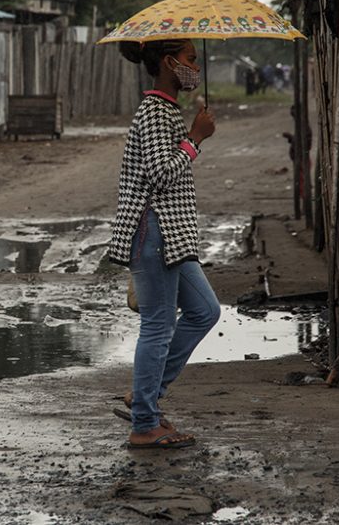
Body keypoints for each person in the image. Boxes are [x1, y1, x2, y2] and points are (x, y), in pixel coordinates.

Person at [109, 38, 221, 449]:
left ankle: (147, 395)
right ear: (170, 63)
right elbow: (159, 174)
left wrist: (191, 133)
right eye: (191, 59)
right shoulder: (156, 110)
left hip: (171, 236)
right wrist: (196, 137)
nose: (196, 65)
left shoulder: (166, 108)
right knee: (158, 326)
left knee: (205, 311)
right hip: (154, 233)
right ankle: (144, 424)